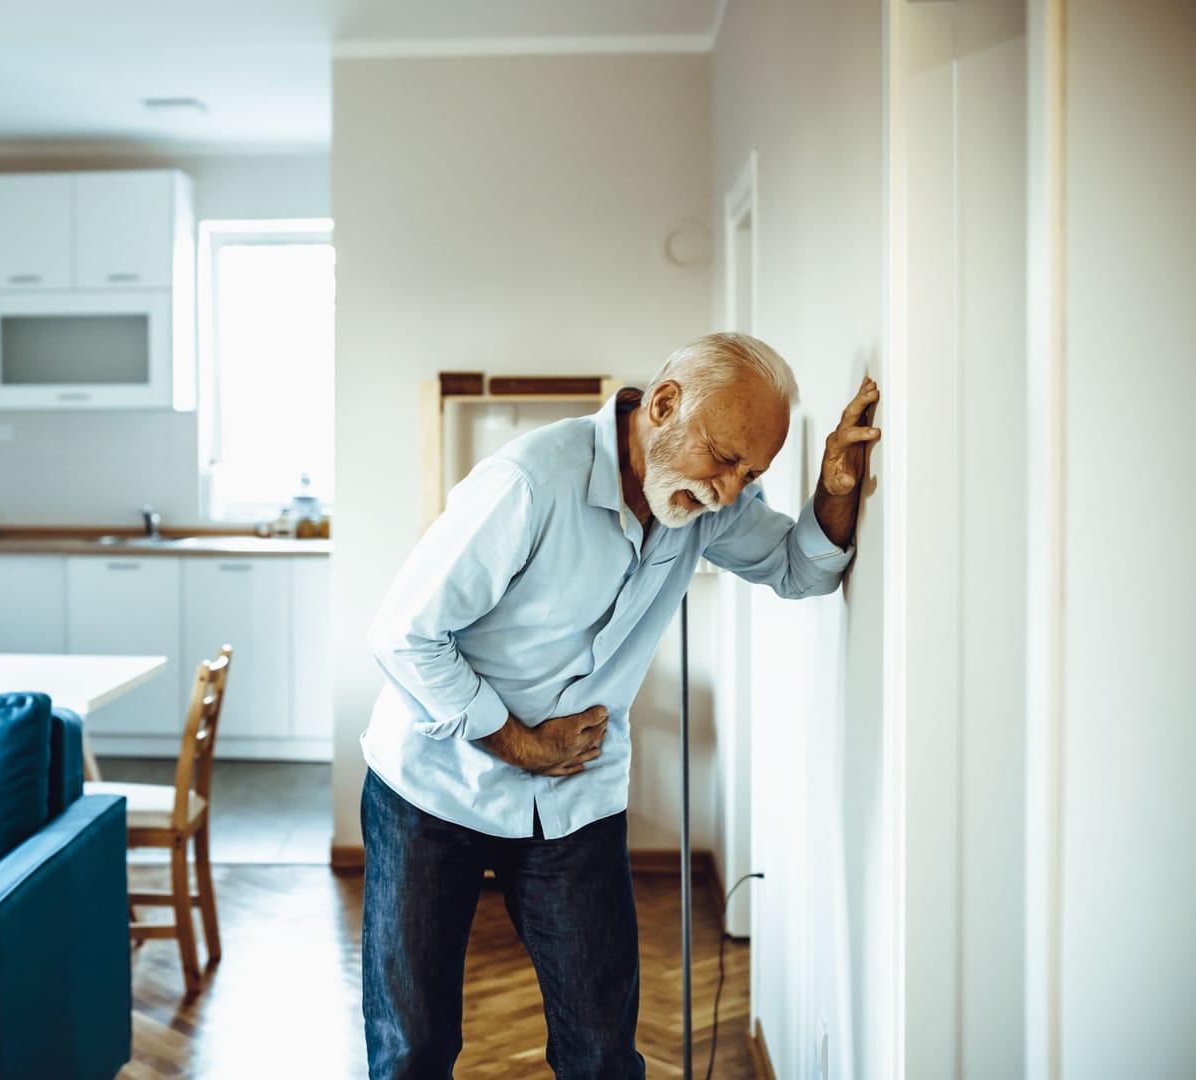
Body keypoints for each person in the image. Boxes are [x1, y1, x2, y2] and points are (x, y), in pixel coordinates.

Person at [360, 333, 880, 1078]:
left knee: (602, 1053)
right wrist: (517, 741)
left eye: (752, 472)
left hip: (573, 799)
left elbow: (801, 570)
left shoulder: (708, 502)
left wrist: (834, 486)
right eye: (726, 459)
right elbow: (404, 635)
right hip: (432, 787)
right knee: (413, 1048)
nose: (731, 491)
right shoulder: (530, 483)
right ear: (664, 405)